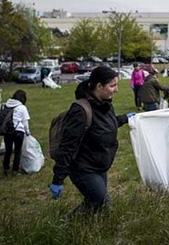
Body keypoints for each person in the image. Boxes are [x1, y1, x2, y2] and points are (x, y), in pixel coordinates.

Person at [49, 66, 132, 215]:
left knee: (93, 203)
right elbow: (68, 147)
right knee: (104, 205)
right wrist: (58, 179)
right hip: (83, 169)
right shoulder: (80, 111)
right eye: (112, 85)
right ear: (99, 86)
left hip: (100, 166)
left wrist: (125, 118)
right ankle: (67, 225)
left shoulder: (106, 104)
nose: (116, 90)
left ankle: (68, 224)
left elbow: (105, 125)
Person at [2, 90, 31, 176]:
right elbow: (25, 122)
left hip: (7, 131)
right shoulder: (22, 107)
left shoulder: (6, 105)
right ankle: (15, 170)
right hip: (18, 131)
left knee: (8, 150)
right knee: (18, 151)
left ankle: (5, 168)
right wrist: (27, 131)